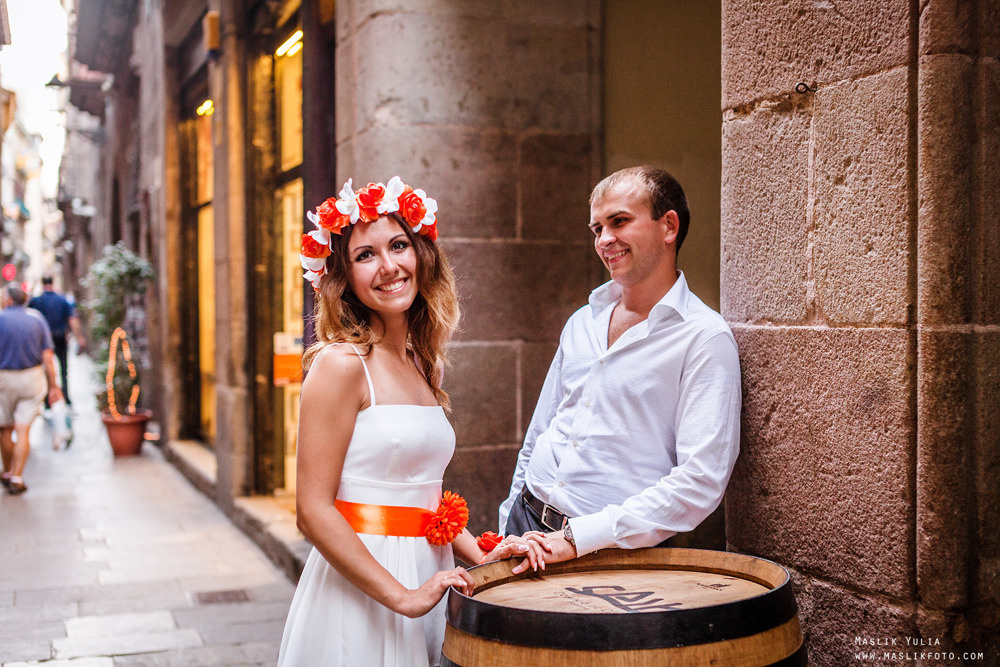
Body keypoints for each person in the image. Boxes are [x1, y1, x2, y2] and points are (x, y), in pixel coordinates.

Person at [278, 177, 541, 666]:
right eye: (365, 255)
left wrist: (482, 553)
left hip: (430, 569)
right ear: (343, 277)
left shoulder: (425, 364)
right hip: (366, 582)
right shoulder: (341, 365)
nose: (388, 266)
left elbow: (419, 494)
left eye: (398, 245)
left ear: (421, 254)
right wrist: (402, 596)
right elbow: (312, 511)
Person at [498, 166, 742, 571]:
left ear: (668, 226)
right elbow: (542, 430)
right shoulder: (583, 320)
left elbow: (701, 480)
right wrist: (510, 516)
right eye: (597, 229)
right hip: (525, 526)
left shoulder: (703, 338)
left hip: (612, 553)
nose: (605, 240)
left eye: (619, 222)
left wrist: (577, 539)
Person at [0, 284, 63, 495]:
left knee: (6, 428)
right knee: (23, 429)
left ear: (8, 299)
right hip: (31, 378)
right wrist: (54, 386)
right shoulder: (36, 319)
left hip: (4, 379)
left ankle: (7, 471)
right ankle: (17, 476)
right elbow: (48, 357)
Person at [29, 275, 86, 406]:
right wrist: (79, 338)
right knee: (64, 369)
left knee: (45, 370)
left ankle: (47, 402)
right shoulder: (62, 299)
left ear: (43, 284)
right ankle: (66, 398)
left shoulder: (36, 301)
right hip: (60, 338)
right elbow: (72, 320)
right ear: (53, 283)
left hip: (43, 341)